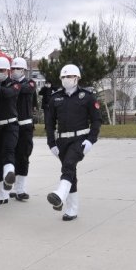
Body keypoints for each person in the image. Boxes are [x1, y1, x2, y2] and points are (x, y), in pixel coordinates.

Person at [45, 64, 102, 221]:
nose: (66, 80)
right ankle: (71, 209)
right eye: (63, 77)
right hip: (62, 140)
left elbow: (97, 120)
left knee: (69, 165)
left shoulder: (87, 96)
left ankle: (59, 195)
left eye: (69, 76)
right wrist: (52, 143)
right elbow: (49, 123)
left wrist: (91, 140)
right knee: (70, 172)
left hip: (80, 140)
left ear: (77, 78)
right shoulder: (55, 98)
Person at [0, 57, 20, 206]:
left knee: (8, 151)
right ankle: (3, 194)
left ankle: (9, 174)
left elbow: (8, 93)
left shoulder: (14, 84)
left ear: (8, 70)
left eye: (1, 70)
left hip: (10, 125)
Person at [9, 57, 38, 201]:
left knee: (23, 156)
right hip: (11, 125)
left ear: (24, 71)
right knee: (10, 156)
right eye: (12, 68)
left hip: (25, 125)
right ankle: (11, 186)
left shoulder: (30, 83)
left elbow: (27, 90)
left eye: (17, 69)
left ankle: (20, 189)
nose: (14, 71)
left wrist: (13, 87)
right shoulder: (8, 84)